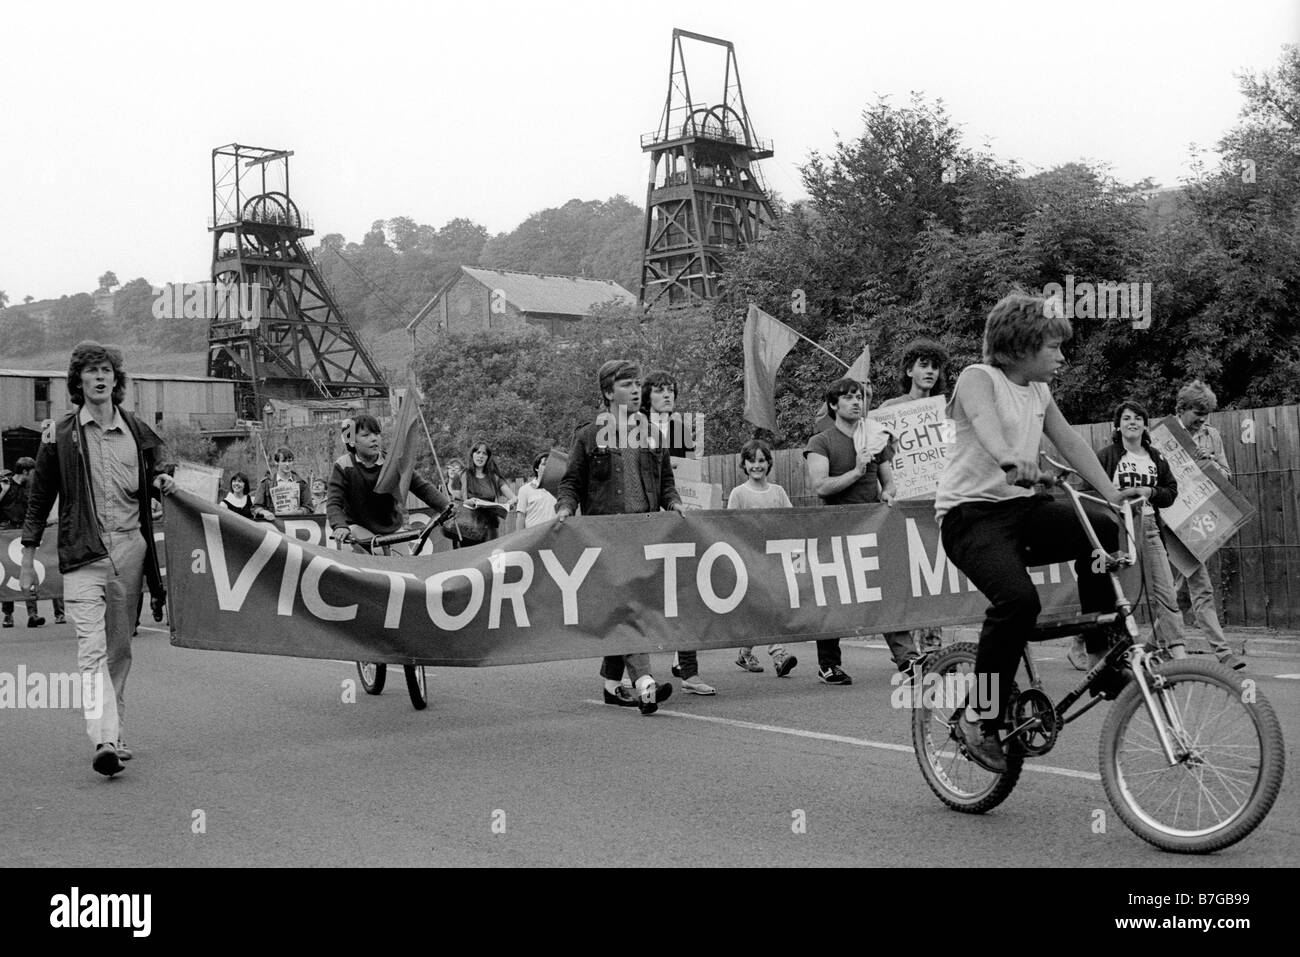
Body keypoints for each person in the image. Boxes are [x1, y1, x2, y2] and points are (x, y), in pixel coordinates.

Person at [933, 293, 1142, 773]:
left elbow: (1069, 442)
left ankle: (1100, 650)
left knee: (1100, 528)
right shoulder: (977, 378)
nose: (1062, 357)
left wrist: (1112, 494)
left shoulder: (1039, 393)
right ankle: (979, 717)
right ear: (1021, 346)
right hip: (970, 518)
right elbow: (984, 422)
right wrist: (1010, 458)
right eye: (1053, 347)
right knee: (1018, 603)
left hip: (1022, 510)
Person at [19, 341, 177, 777]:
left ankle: (116, 729)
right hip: (82, 553)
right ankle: (104, 738)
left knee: (119, 649)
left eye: (106, 370)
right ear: (79, 381)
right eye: (91, 371)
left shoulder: (136, 428)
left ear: (115, 379)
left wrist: (163, 478)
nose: (100, 377)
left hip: (130, 551)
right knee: (91, 650)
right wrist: (27, 557)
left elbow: (159, 464)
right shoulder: (60, 435)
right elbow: (39, 500)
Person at [554, 359, 682, 715]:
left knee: (623, 608)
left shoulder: (652, 433)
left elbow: (665, 481)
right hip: (606, 537)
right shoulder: (589, 435)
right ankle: (644, 682)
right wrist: (565, 508)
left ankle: (612, 686)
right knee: (628, 606)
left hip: (645, 534)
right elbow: (571, 482)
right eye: (627, 385)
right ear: (608, 393)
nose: (636, 391)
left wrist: (674, 503)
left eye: (638, 384)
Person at [1070, 400, 1188, 668]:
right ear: (1117, 426)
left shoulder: (1156, 458)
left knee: (1166, 591)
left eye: (1137, 418)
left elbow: (1171, 492)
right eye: (1126, 418)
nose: (1132, 422)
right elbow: (1087, 492)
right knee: (1111, 592)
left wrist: (1150, 492)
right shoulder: (1106, 456)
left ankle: (1178, 650)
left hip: (1150, 528)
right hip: (1115, 531)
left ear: (1145, 425)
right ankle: (1082, 640)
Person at [804, 377, 899, 685]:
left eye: (859, 397)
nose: (857, 401)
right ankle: (828, 665)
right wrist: (857, 471)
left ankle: (907, 658)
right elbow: (821, 486)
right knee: (833, 597)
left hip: (872, 527)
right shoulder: (821, 442)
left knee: (886, 589)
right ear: (834, 405)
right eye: (848, 397)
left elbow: (889, 481)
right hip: (836, 529)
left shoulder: (874, 439)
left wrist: (888, 494)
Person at [642, 369, 715, 696]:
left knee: (684, 589)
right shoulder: (634, 428)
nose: (667, 395)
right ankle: (630, 671)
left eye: (671, 390)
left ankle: (689, 670)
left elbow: (689, 475)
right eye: (660, 390)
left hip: (675, 516)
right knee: (642, 594)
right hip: (644, 519)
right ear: (647, 396)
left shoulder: (681, 429)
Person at [879, 337, 952, 659]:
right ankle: (908, 651)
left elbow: (953, 451)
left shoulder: (945, 410)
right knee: (907, 577)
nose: (930, 371)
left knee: (936, 575)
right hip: (904, 506)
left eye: (935, 366)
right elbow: (876, 454)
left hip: (938, 504)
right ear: (909, 370)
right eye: (924, 365)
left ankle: (933, 646)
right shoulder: (889, 409)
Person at [1167, 381, 1245, 669]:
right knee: (1198, 586)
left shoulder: (1211, 436)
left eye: (1206, 414)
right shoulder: (1164, 437)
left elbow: (1226, 474)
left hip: (1198, 520)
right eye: (1198, 414)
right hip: (1169, 522)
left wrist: (1209, 462)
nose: (1203, 420)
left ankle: (1154, 644)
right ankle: (1223, 653)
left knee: (1183, 591)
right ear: (1182, 409)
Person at [728, 439, 799, 678]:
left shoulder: (778, 492)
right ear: (744, 464)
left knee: (766, 606)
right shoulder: (739, 494)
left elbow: (791, 521)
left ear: (768, 463)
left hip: (773, 558)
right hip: (749, 558)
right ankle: (778, 654)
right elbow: (729, 526)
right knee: (766, 605)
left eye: (761, 460)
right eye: (751, 461)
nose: (756, 465)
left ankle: (745, 652)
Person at [327, 413, 452, 546]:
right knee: (369, 554)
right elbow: (334, 502)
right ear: (352, 441)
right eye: (366, 435)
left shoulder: (393, 463)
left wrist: (447, 507)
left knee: (403, 559)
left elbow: (421, 487)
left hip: (392, 528)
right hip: (357, 528)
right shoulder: (343, 465)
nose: (374, 439)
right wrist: (340, 526)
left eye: (377, 434)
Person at [2, 457, 66, 626]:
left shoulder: (31, 488)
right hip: (8, 532)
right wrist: (3, 490)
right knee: (10, 572)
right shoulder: (5, 485)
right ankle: (8, 614)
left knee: (36, 568)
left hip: (26, 530)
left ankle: (33, 614)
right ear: (25, 471)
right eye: (32, 473)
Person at [457, 441, 516, 542]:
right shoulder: (462, 475)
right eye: (478, 452)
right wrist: (466, 502)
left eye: (484, 453)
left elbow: (514, 498)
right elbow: (454, 501)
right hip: (467, 526)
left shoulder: (494, 477)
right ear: (472, 454)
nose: (481, 456)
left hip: (489, 528)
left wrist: (509, 504)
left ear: (488, 457)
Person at [255, 447, 310, 518]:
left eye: (289, 461)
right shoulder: (266, 483)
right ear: (276, 462)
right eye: (284, 461)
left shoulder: (301, 483)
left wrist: (295, 513)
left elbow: (308, 508)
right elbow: (256, 507)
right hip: (273, 522)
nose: (287, 464)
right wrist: (265, 512)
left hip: (295, 522)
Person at [514, 452, 557, 529]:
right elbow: (520, 517)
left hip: (554, 535)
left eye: (550, 465)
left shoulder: (559, 490)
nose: (548, 467)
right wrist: (520, 536)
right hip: (533, 535)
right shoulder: (525, 490)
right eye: (544, 464)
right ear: (536, 468)